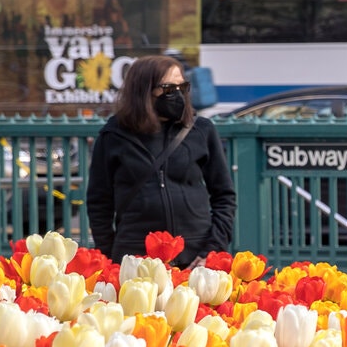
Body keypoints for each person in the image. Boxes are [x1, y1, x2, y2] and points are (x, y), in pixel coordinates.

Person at [86, 54, 235, 265]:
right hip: (135, 255)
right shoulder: (114, 136)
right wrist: (111, 255)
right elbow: (99, 203)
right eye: (167, 88)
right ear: (144, 91)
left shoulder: (201, 130)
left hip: (194, 256)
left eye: (181, 87)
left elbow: (224, 196)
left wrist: (211, 251)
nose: (176, 94)